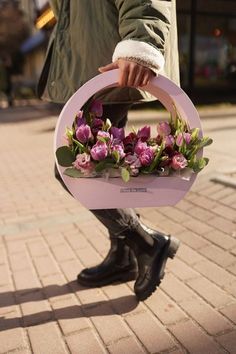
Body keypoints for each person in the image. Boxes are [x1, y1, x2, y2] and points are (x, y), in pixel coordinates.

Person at [38, 0, 180, 301]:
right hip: (101, 65)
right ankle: (123, 257)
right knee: (105, 169)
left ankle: (147, 245)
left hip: (115, 63)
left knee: (71, 168)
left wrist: (142, 40)